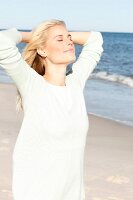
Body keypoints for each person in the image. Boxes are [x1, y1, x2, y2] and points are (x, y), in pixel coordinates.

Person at [0, 19, 103, 200]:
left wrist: (56, 36)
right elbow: (2, 42)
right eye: (60, 39)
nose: (69, 42)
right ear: (42, 50)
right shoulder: (32, 84)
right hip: (37, 192)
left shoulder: (75, 84)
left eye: (69, 37)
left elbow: (95, 40)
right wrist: (35, 37)